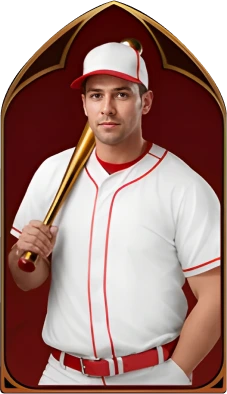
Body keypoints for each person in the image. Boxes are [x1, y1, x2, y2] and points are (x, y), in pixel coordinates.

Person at [8, 39, 221, 386]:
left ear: (146, 101)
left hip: (151, 375)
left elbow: (216, 295)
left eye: (121, 94)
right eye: (96, 95)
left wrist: (175, 374)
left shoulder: (184, 185)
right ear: (84, 104)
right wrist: (23, 255)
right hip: (63, 375)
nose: (107, 108)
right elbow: (27, 279)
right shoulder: (52, 172)